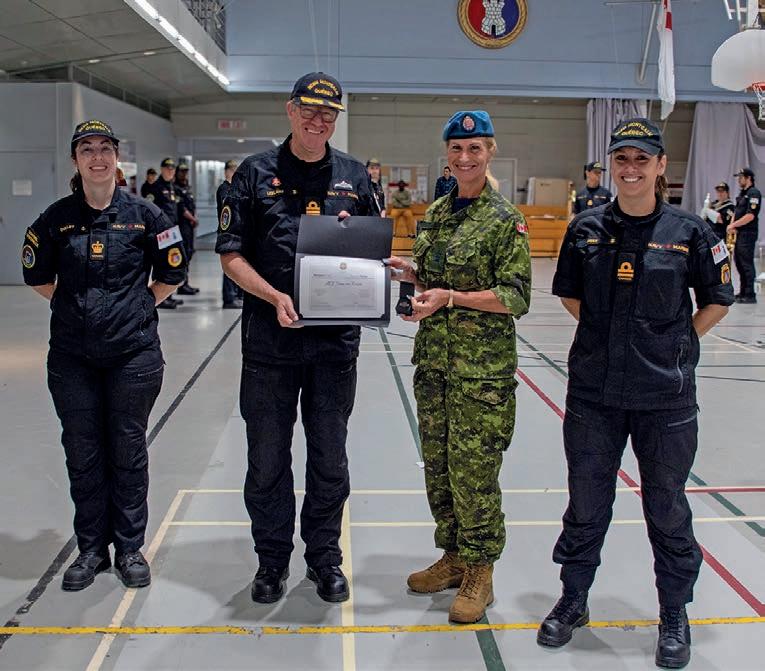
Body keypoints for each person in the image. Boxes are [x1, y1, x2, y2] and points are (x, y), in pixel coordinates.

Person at [540, 118, 733, 669]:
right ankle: (574, 598)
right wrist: (610, 338)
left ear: (660, 166)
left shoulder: (691, 231)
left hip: (665, 398)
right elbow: (570, 295)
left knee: (667, 507)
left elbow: (719, 297)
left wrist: (676, 341)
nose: (630, 169)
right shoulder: (585, 228)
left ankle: (674, 612)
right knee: (586, 503)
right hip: (594, 394)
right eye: (621, 159)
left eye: (641, 160)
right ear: (611, 165)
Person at [215, 72, 375, 605]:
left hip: (333, 349)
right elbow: (231, 253)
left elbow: (373, 254)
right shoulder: (254, 174)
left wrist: (364, 249)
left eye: (328, 114)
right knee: (267, 460)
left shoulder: (355, 176)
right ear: (290, 110)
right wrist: (272, 296)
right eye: (309, 110)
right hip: (269, 346)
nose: (318, 120)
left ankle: (324, 559)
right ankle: (271, 560)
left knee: (330, 460)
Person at [20, 119, 187, 591]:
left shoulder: (148, 215)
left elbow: (172, 273)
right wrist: (74, 308)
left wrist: (137, 308)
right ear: (76, 160)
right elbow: (37, 276)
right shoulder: (55, 219)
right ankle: (92, 549)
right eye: (87, 149)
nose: (97, 157)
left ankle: (130, 548)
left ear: (117, 159)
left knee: (128, 449)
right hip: (72, 357)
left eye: (105, 149)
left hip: (132, 355)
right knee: (83, 450)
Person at [387, 110, 531, 624]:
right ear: (446, 155)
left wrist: (451, 298)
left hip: (481, 374)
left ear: (489, 153)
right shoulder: (439, 212)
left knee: (475, 476)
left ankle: (480, 572)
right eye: (456, 149)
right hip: (435, 366)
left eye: (475, 148)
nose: (465, 157)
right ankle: (453, 558)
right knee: (440, 471)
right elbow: (435, 276)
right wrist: (411, 273)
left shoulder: (505, 219)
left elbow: (516, 296)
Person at [143, 158, 185, 309]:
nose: (171, 171)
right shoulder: (156, 187)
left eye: (173, 169)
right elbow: (151, 208)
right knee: (161, 261)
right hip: (161, 231)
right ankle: (160, 297)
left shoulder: (171, 186)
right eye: (168, 168)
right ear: (162, 169)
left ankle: (169, 295)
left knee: (171, 261)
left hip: (172, 229)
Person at [728, 168, 761, 304]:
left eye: (741, 177)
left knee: (746, 264)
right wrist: (732, 225)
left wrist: (733, 225)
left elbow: (750, 215)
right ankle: (742, 292)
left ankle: (749, 294)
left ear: (748, 178)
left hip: (748, 233)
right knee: (740, 263)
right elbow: (737, 212)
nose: (739, 180)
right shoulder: (743, 194)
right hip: (740, 233)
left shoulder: (754, 193)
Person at [216, 159, 243, 308]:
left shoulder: (234, 188)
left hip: (237, 232)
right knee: (230, 265)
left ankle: (237, 294)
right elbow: (229, 212)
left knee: (238, 265)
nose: (234, 173)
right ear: (226, 172)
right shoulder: (224, 189)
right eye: (232, 170)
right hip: (228, 233)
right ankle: (229, 298)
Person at [174, 162, 200, 295]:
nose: (184, 174)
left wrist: (194, 217)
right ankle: (181, 284)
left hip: (189, 226)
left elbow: (191, 205)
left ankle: (185, 282)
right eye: (182, 171)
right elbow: (181, 208)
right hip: (182, 225)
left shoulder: (187, 187)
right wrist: (193, 219)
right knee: (183, 254)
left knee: (189, 253)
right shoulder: (176, 188)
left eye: (186, 171)